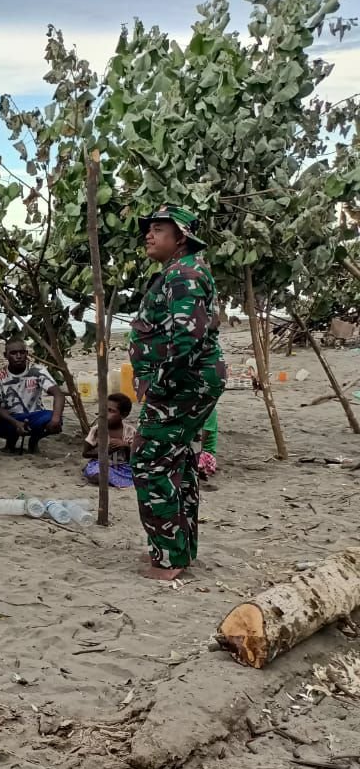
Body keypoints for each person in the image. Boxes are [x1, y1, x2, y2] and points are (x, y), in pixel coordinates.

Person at [129, 207, 226, 580]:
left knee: (150, 459)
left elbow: (187, 339)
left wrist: (159, 385)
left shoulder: (184, 274)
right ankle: (179, 551)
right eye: (148, 230)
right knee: (177, 460)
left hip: (181, 385)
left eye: (158, 229)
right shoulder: (180, 272)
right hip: (189, 383)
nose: (149, 236)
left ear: (179, 237)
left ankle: (169, 560)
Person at [0, 340, 67, 454]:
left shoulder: (37, 370)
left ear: (27, 353)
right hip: (10, 418)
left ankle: (33, 442)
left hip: (33, 417)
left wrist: (56, 419)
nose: (18, 356)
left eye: (22, 352)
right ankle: (10, 444)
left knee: (53, 418)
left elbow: (58, 394)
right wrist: (15, 423)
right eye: (14, 353)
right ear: (6, 355)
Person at [83, 392, 137, 489]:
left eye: (111, 411)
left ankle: (114, 480)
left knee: (139, 474)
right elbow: (85, 453)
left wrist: (125, 446)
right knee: (97, 472)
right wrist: (105, 451)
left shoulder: (130, 431)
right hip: (101, 464)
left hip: (123, 467)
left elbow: (134, 458)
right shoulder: (96, 430)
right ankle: (110, 480)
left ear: (123, 415)